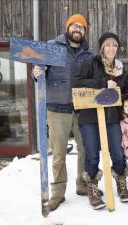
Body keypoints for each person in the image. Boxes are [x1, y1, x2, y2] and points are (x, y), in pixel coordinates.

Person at [33, 14, 95, 211]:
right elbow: (39, 69)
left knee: (85, 150)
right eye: (75, 26)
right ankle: (58, 193)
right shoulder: (52, 47)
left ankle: (83, 185)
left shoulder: (89, 53)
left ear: (85, 32)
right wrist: (36, 73)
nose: (78, 30)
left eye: (82, 28)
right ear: (68, 27)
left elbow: (94, 78)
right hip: (57, 108)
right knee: (59, 154)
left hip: (82, 109)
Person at [74, 32, 128, 210]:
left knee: (117, 151)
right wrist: (102, 83)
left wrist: (126, 101)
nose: (111, 48)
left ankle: (121, 185)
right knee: (91, 153)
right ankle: (92, 188)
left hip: (112, 117)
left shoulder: (121, 70)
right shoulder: (90, 63)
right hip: (89, 116)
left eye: (114, 45)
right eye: (107, 45)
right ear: (102, 47)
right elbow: (77, 82)